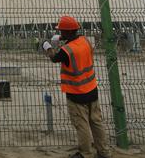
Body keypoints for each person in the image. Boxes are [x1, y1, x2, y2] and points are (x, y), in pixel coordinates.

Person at [42, 15, 112, 158]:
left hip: (76, 93)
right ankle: (104, 152)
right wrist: (63, 38)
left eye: (61, 31)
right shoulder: (85, 41)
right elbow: (75, 41)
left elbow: (54, 57)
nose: (60, 32)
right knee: (96, 122)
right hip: (91, 89)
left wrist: (47, 47)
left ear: (66, 32)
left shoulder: (67, 50)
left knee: (82, 124)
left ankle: (86, 153)